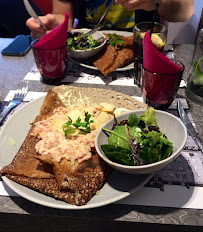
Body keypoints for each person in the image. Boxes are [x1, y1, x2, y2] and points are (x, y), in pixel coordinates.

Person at [26, 0, 194, 39]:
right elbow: (63, 16)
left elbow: (186, 11)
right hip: (86, 57)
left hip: (142, 57)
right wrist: (55, 25)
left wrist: (157, 1)